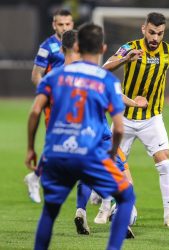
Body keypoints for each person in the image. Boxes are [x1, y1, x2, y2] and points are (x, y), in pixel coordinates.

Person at [25, 23, 135, 250]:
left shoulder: (53, 77)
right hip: (90, 152)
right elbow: (119, 128)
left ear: (78, 46)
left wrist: (30, 149)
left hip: (56, 154)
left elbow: (35, 111)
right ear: (103, 47)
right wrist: (112, 154)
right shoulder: (106, 80)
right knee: (126, 197)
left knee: (49, 211)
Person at [103, 12, 169, 228]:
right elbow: (104, 68)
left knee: (164, 163)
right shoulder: (129, 47)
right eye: (151, 32)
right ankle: (105, 208)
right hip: (125, 117)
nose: (155, 38)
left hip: (151, 118)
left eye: (159, 33)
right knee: (112, 164)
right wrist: (126, 59)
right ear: (144, 29)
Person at [58, 30, 146, 238]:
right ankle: (119, 219)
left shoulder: (58, 77)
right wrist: (135, 103)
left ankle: (81, 210)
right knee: (124, 178)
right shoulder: (89, 72)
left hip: (72, 137)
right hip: (100, 135)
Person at [24, 9, 74, 203]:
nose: (64, 27)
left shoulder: (75, 43)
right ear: (54, 25)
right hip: (55, 104)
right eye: (60, 24)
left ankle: (36, 177)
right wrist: (48, 94)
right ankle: (36, 177)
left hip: (74, 102)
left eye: (68, 24)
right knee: (59, 143)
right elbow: (36, 75)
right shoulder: (48, 47)